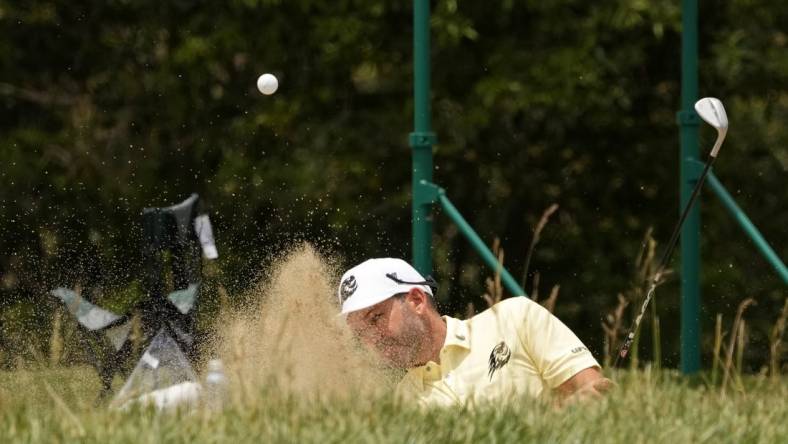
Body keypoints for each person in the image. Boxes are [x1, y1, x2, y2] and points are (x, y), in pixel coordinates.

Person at [337, 257, 612, 407]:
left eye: (376, 318)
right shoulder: (400, 405)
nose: (371, 339)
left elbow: (599, 392)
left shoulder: (515, 317)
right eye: (360, 333)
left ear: (417, 301)